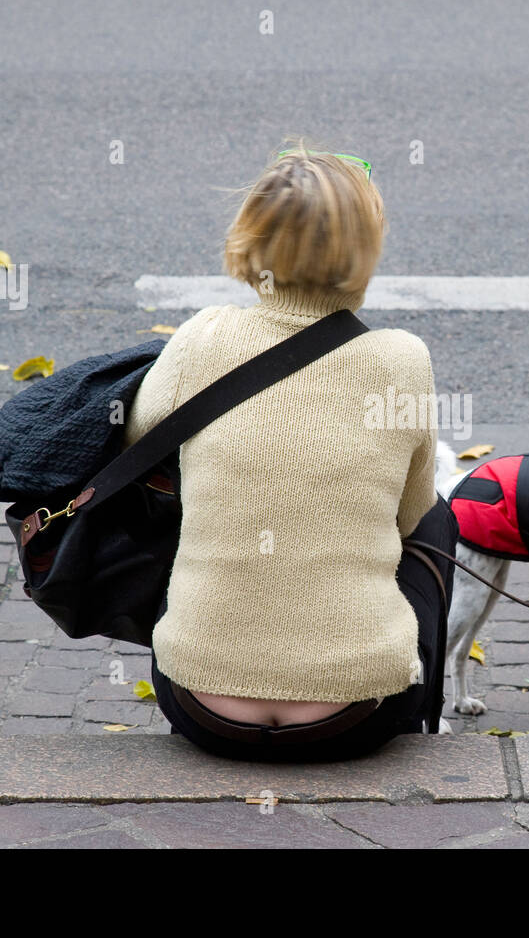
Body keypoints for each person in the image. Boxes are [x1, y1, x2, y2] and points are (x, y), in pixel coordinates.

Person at [121, 141, 455, 762]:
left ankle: (214, 643)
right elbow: (410, 516)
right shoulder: (402, 358)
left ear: (251, 237)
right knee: (440, 515)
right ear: (364, 249)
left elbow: (139, 440)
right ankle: (420, 718)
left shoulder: (202, 336)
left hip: (201, 706)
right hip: (356, 713)